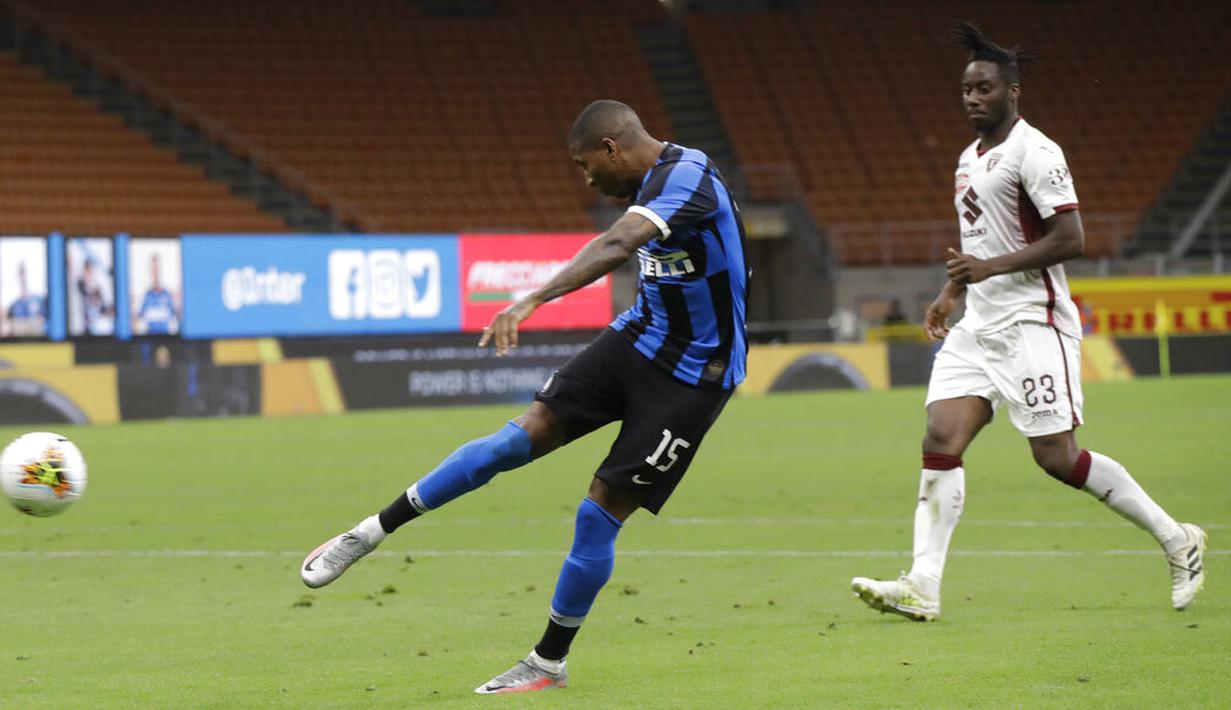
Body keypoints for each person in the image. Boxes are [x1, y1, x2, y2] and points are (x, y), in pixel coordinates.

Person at [301, 99, 749, 693]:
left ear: (613, 148)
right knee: (512, 441)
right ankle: (369, 532)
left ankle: (547, 663)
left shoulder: (688, 176)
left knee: (598, 513)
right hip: (639, 338)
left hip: (695, 374)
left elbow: (618, 245)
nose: (587, 179)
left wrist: (532, 298)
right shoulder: (648, 188)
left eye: (586, 165)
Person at [850, 22, 1206, 621]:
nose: (972, 98)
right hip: (979, 326)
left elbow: (1072, 238)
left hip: (1033, 324)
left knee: (1057, 457)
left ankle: (1179, 540)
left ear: (1012, 91)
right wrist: (951, 292)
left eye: (984, 88)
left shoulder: (1036, 152)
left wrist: (989, 268)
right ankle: (923, 585)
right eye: (966, 89)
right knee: (941, 438)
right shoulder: (968, 159)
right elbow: (976, 240)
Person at [135, 253, 178, 335]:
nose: (155, 271)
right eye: (153, 268)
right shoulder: (144, 295)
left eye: (157, 268)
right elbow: (137, 320)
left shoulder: (167, 294)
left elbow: (175, 317)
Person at [5, 262, 47, 337]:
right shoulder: (14, 305)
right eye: (20, 273)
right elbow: (11, 326)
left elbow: (43, 322)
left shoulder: (39, 300)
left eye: (24, 272)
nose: (23, 277)